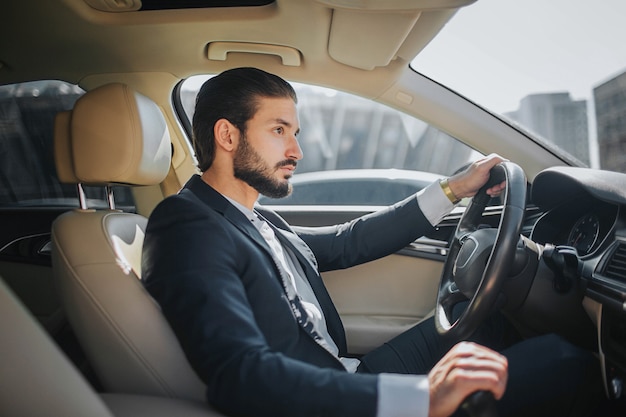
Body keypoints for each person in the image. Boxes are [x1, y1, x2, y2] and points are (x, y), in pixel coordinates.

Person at [142, 67, 601, 417]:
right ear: (227, 135)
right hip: (331, 398)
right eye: (279, 130)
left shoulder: (249, 217)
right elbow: (240, 375)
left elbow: (347, 242)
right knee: (563, 363)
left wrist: (452, 189)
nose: (297, 151)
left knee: (488, 319)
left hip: (347, 373)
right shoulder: (186, 223)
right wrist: (421, 398)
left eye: (295, 133)